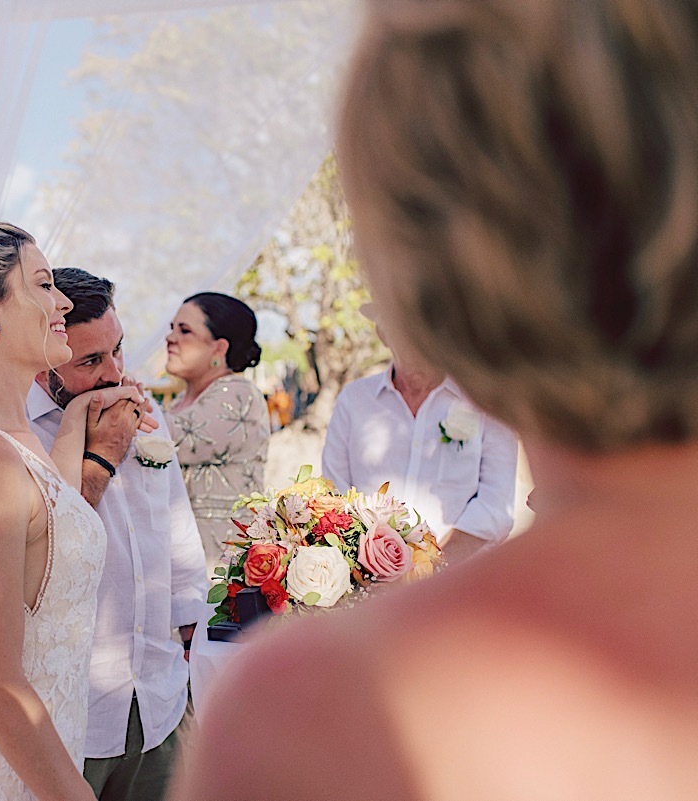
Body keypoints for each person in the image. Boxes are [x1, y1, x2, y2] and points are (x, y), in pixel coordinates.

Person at [170, 1, 698, 798]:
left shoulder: (310, 715)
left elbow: (489, 509)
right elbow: (337, 489)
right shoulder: (354, 405)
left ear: (422, 272)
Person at [0, 222, 152, 800]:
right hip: (0, 774)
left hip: (20, 757)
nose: (62, 300)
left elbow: (50, 515)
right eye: (42, 285)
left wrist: (79, 415)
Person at [27, 268, 208, 801]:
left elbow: (176, 530)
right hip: (74, 713)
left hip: (159, 695)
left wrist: (190, 631)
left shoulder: (148, 416)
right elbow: (46, 559)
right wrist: (99, 452)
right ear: (43, 366)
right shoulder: (17, 437)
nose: (115, 372)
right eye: (91, 361)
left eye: (119, 350)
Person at [321, 303, 518, 563]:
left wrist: (432, 567)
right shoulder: (354, 399)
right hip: (366, 578)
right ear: (384, 334)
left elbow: (495, 506)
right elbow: (335, 493)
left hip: (458, 575)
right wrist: (373, 568)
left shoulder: (488, 401)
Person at [164, 291, 270, 577]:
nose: (170, 338)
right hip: (178, 558)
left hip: (219, 569)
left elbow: (168, 440)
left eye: (185, 331)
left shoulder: (237, 394)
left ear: (219, 349)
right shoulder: (177, 404)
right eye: (171, 328)